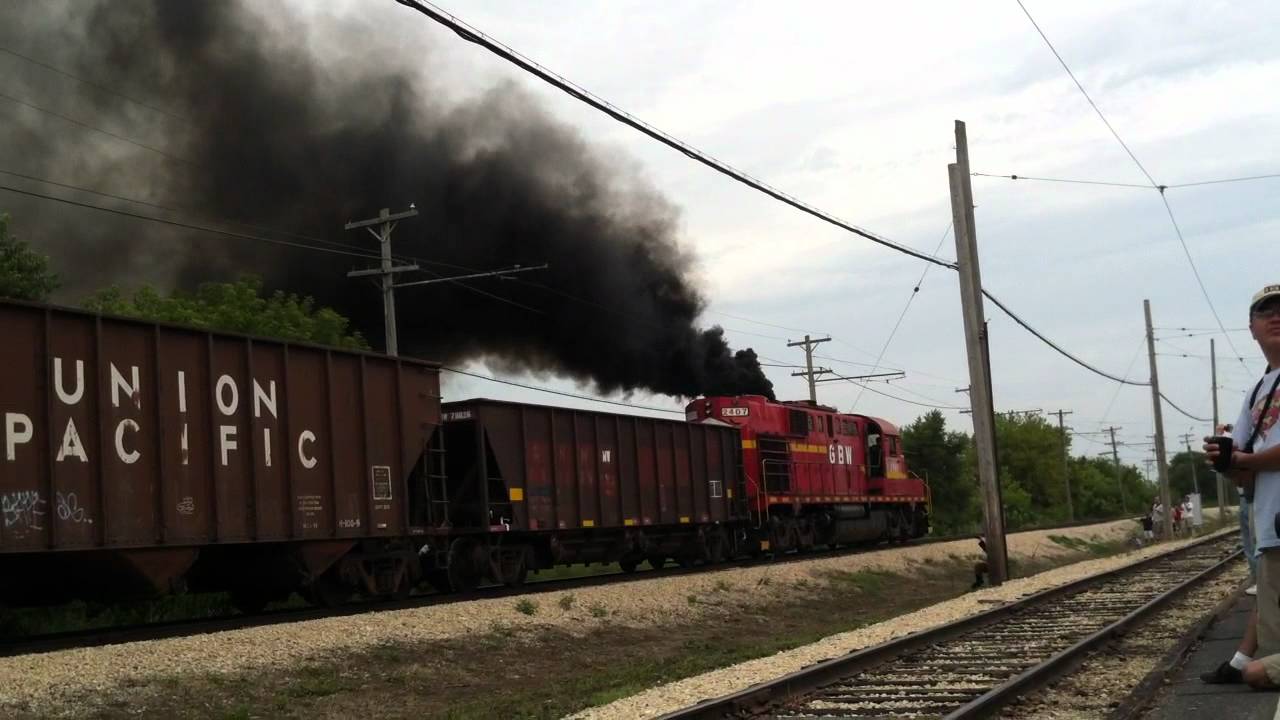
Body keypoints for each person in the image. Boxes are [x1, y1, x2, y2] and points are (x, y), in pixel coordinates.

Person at [1200, 284, 1280, 687]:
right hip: (1271, 526)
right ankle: (1240, 661)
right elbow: (1244, 468)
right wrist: (1226, 462)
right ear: (1251, 328)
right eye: (1266, 311)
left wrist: (1246, 460)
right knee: (1269, 618)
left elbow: (1254, 459)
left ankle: (1244, 665)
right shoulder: (1258, 390)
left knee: (1262, 672)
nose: (1276, 316)